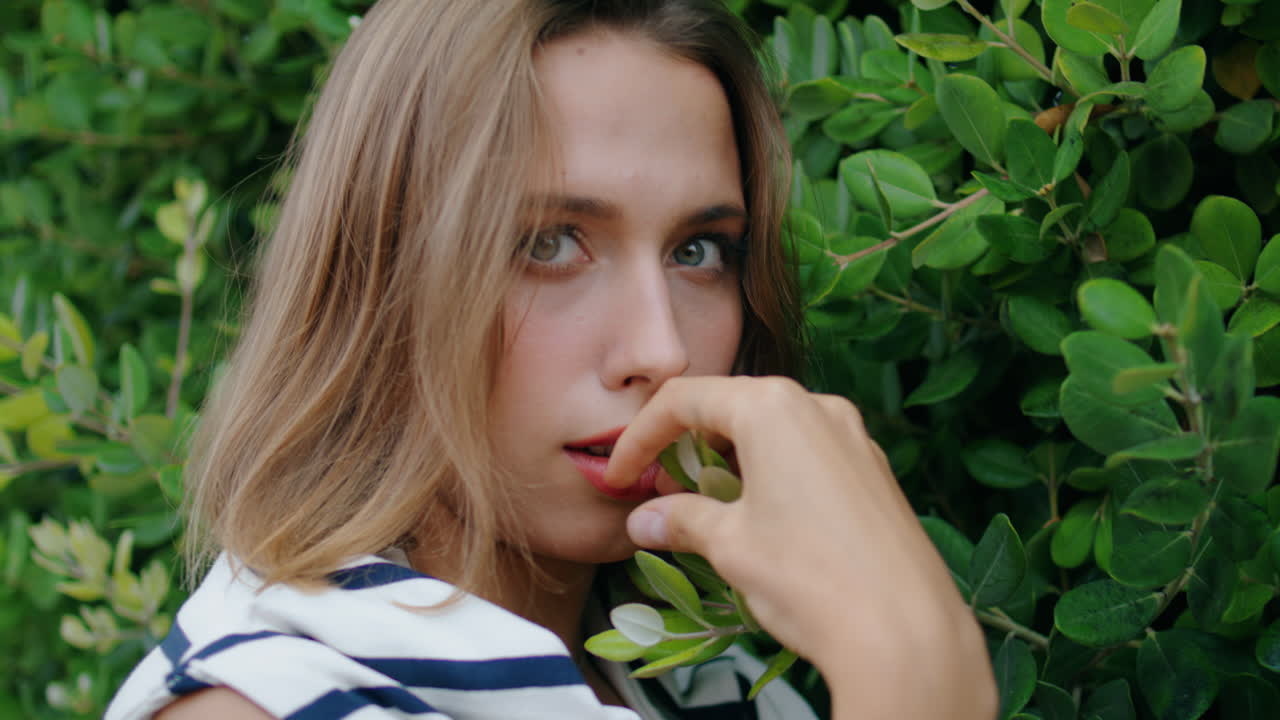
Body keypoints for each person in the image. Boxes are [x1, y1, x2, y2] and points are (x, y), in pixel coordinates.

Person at [105, 1, 998, 718]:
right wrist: (910, 668)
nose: (661, 349)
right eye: (549, 243)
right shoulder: (263, 702)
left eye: (699, 251)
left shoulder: (706, 687)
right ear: (379, 276)